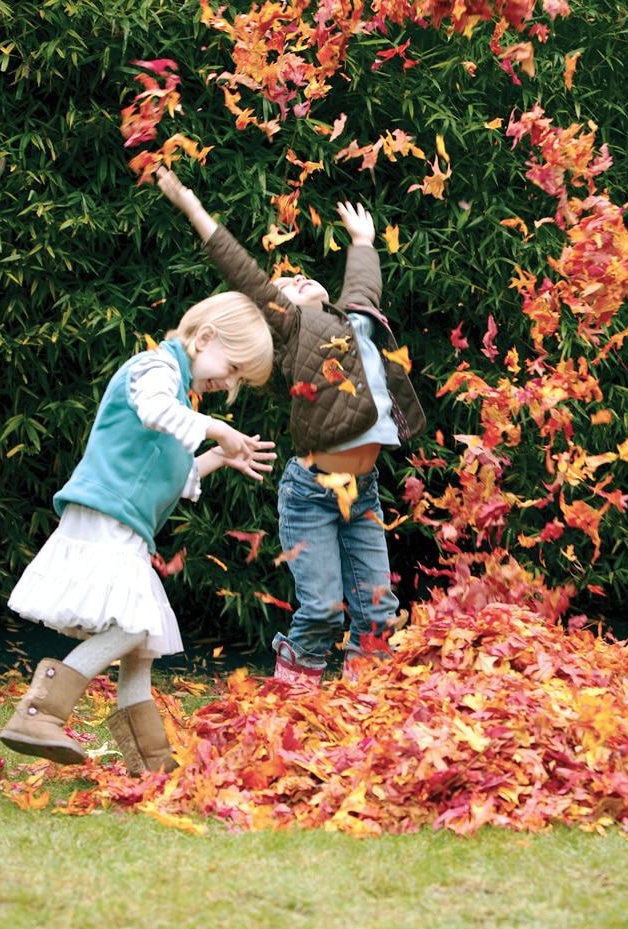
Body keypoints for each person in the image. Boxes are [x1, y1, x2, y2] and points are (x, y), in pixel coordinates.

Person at [155, 167, 426, 686]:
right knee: (323, 608)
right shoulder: (292, 329)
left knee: (378, 609)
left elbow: (363, 282)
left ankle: (366, 703)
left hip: (363, 492)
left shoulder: (355, 320)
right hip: (312, 495)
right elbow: (244, 273)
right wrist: (194, 211)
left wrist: (364, 240)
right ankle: (292, 696)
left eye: (303, 277)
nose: (298, 278)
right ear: (273, 315)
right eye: (287, 283)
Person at [0, 293, 276, 773]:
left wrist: (219, 456)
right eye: (232, 368)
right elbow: (153, 412)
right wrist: (215, 429)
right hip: (107, 513)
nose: (228, 383)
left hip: (125, 522)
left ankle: (150, 763)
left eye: (238, 380)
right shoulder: (155, 369)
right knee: (133, 626)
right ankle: (38, 714)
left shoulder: (179, 395)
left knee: (140, 650)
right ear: (204, 337)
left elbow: (169, 471)